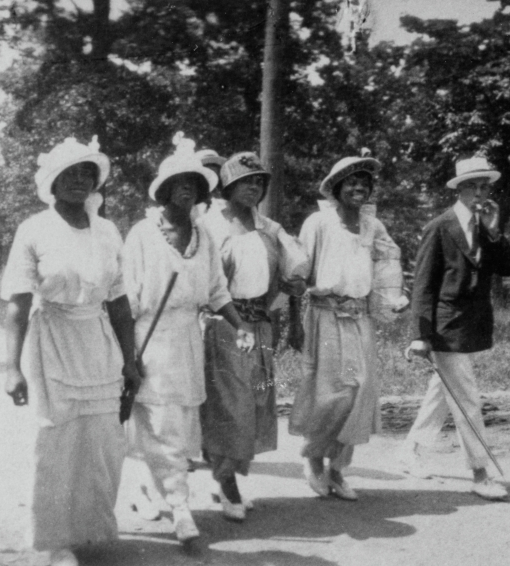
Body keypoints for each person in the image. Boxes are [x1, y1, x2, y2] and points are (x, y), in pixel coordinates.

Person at [2, 137, 142, 566]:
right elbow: (18, 304)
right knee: (56, 441)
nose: (80, 180)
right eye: (71, 173)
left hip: (99, 342)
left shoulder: (108, 230)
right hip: (53, 341)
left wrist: (131, 360)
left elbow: (119, 303)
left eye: (88, 173)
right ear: (53, 182)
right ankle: (53, 539)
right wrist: (11, 367)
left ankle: (91, 528)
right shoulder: (34, 229)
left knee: (102, 439)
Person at [122, 133, 252, 542]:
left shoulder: (205, 236)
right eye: (179, 182)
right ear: (163, 190)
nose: (187, 189)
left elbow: (216, 291)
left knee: (178, 423)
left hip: (187, 339)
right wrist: (128, 355)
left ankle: (150, 487)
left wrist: (239, 325)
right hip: (150, 338)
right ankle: (179, 507)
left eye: (194, 184)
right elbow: (125, 300)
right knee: (159, 421)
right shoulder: (142, 234)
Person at [400, 155, 510, 500]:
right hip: (443, 325)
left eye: (487, 186)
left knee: (443, 392)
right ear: (461, 189)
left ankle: (411, 451)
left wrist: (495, 232)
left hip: (472, 324)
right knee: (466, 396)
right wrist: (419, 335)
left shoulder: (486, 227)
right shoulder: (440, 226)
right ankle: (481, 473)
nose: (483, 192)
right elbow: (423, 284)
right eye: (476, 186)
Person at [197, 152, 310, 521]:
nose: (253, 188)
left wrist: (288, 312)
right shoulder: (211, 226)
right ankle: (226, 483)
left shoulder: (269, 229)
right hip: (225, 325)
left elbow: (289, 281)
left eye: (259, 182)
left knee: (256, 405)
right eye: (245, 181)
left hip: (260, 324)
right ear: (227, 186)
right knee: (232, 407)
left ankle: (225, 475)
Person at [288, 155, 406, 501]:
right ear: (336, 189)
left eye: (364, 184)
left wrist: (391, 302)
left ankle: (339, 468)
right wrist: (294, 321)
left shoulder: (374, 227)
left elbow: (388, 269)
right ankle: (313, 457)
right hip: (324, 316)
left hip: (359, 319)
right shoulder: (319, 223)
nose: (359, 188)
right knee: (331, 392)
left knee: (360, 391)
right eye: (351, 183)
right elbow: (298, 273)